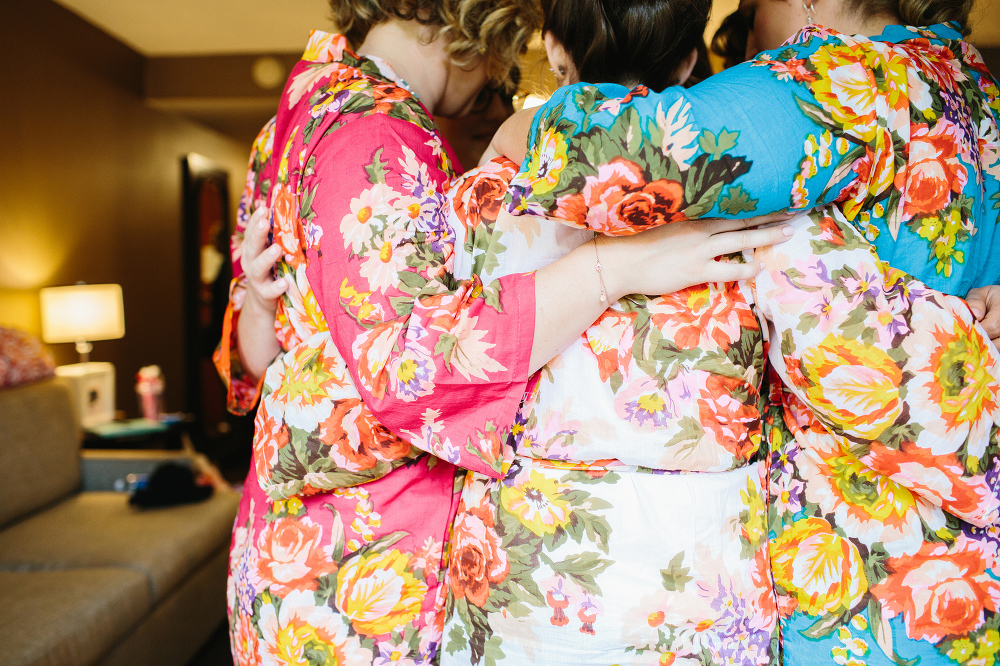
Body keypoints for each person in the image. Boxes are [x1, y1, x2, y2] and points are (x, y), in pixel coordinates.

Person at [213, 0, 791, 663]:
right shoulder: (373, 132)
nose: (497, 81)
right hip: (360, 562)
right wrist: (619, 264)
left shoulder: (299, 108)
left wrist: (261, 310)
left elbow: (256, 359)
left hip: (293, 545)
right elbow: (416, 368)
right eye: (499, 58)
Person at [488, 0, 1000, 663]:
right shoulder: (964, 77)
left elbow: (615, 154)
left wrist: (524, 125)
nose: (748, 22)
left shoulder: (836, 82)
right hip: (966, 570)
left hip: (861, 586)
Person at [442, 0, 788, 664]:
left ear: (552, 46)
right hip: (698, 567)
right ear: (689, 59)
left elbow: (450, 355)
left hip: (530, 571)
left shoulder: (492, 187)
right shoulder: (749, 182)